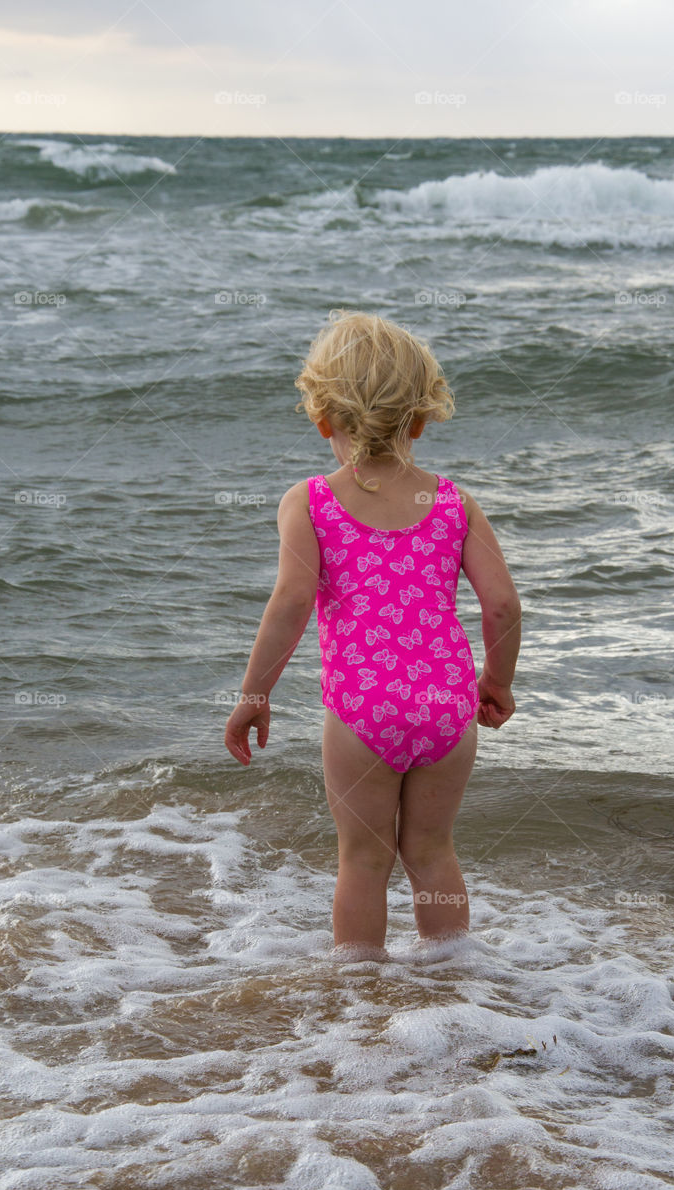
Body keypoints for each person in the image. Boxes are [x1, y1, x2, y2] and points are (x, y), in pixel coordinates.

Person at [225, 310, 521, 958]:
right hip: (445, 707)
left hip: (362, 709)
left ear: (323, 418)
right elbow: (500, 605)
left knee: (362, 860)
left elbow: (290, 605)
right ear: (420, 419)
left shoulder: (310, 502)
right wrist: (495, 683)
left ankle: (357, 1005)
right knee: (431, 851)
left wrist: (253, 696)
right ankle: (450, 983)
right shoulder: (451, 502)